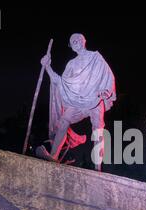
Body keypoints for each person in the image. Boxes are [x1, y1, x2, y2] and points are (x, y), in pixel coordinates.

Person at [38, 33, 116, 171]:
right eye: (72, 41)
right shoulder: (71, 64)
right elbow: (60, 82)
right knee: (63, 121)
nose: (75, 41)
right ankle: (53, 156)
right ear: (71, 46)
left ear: (84, 41)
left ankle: (98, 167)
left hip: (95, 98)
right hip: (78, 101)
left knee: (98, 130)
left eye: (78, 39)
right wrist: (48, 67)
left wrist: (106, 90)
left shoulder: (95, 57)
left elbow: (108, 75)